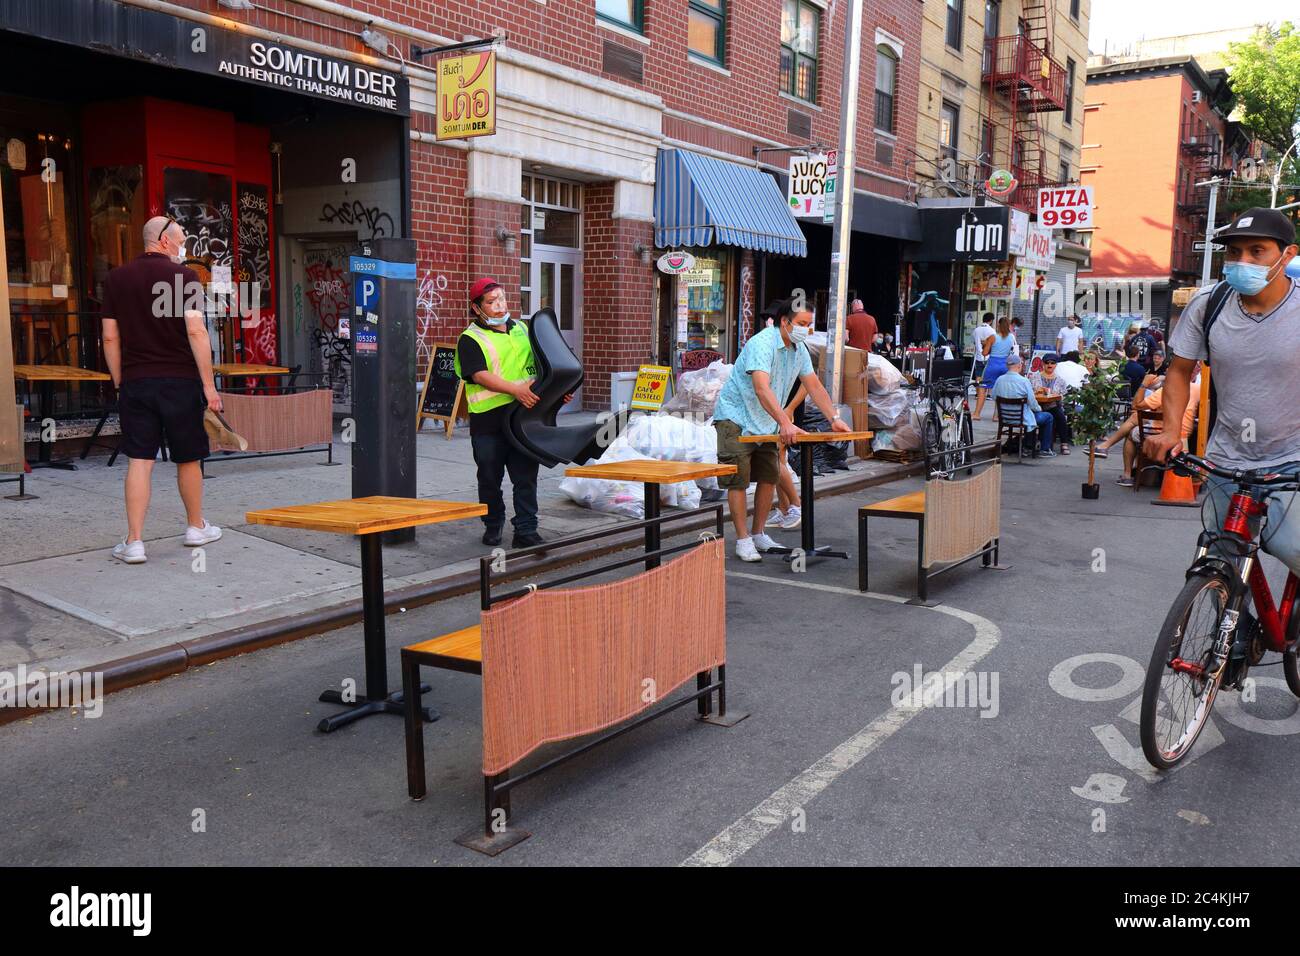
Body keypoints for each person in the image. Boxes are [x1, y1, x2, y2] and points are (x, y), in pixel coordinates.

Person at [1146, 207, 1300, 573]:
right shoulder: (1208, 304)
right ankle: (1231, 626)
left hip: (1293, 459)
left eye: (1256, 250)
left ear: (1288, 254)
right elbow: (1180, 372)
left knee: (1290, 546)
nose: (1242, 260)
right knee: (1219, 561)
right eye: (1234, 252)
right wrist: (1170, 431)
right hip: (1226, 458)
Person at [99, 215, 222, 564]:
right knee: (188, 457)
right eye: (181, 239)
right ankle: (195, 527)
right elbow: (197, 333)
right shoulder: (185, 278)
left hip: (137, 382)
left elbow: (110, 336)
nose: (184, 246)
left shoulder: (116, 279)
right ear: (164, 241)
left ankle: (135, 542)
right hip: (181, 382)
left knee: (140, 459)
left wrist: (120, 379)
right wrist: (209, 386)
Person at [713, 299, 851, 561]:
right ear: (784, 322)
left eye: (809, 325)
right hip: (736, 418)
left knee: (770, 476)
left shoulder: (799, 350)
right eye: (801, 324)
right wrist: (785, 421)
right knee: (738, 480)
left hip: (766, 420)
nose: (806, 329)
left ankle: (758, 534)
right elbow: (761, 388)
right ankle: (743, 540)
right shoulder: (762, 343)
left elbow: (814, 386)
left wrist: (833, 417)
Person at [454, 276, 565, 549]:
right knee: (490, 477)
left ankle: (526, 530)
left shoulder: (523, 330)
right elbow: (479, 375)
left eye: (502, 299)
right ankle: (493, 523)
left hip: (524, 417)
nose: (500, 305)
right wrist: (515, 390)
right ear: (477, 308)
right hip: (489, 421)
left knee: (525, 476)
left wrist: (559, 391)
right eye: (492, 302)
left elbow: (543, 365)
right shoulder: (470, 338)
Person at [992, 353, 1055, 457]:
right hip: (1022, 418)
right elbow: (1032, 402)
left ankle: (1027, 446)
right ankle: (1044, 449)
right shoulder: (1024, 381)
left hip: (1005, 418)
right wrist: (1039, 409)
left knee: (1032, 414)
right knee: (1047, 417)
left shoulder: (999, 380)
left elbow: (994, 396)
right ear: (1019, 365)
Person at [1027, 353, 1072, 454]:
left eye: (1052, 363)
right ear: (1043, 364)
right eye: (1047, 362)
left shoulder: (1060, 380)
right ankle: (1030, 444)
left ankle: (1064, 443)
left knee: (1060, 414)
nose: (1049, 365)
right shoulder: (1034, 377)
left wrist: (1056, 395)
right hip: (1036, 405)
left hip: (1052, 405)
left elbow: (1064, 397)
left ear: (1056, 365)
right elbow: (1029, 392)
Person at [973, 316, 1016, 421]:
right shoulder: (1012, 337)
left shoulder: (993, 337)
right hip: (1005, 365)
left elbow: (984, 352)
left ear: (998, 325)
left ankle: (977, 414)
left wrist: (986, 344)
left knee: (982, 388)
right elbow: (1012, 350)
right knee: (1000, 391)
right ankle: (996, 416)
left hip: (992, 364)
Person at [972, 312, 995, 381]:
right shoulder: (992, 331)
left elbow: (973, 342)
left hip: (978, 356)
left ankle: (978, 390)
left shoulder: (976, 330)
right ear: (991, 320)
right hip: (988, 357)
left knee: (978, 375)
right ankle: (986, 391)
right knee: (988, 376)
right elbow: (994, 343)